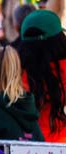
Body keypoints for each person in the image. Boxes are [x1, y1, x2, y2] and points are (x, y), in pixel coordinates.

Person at [17, 10, 66, 143]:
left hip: (24, 148)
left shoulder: (14, 75)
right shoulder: (63, 71)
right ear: (60, 40)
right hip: (61, 147)